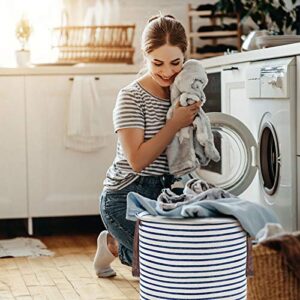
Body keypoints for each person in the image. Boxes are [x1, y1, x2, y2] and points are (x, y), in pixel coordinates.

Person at [93, 14, 201, 278]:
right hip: (124, 196)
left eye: (175, 63)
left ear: (185, 57)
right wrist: (174, 124)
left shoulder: (183, 93)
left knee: (187, 256)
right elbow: (138, 161)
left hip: (163, 193)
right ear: (146, 56)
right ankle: (114, 243)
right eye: (158, 63)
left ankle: (123, 246)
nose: (167, 72)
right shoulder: (131, 97)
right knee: (166, 267)